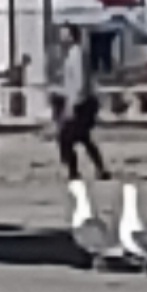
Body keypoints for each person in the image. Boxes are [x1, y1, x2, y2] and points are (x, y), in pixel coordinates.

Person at [52, 27, 109, 182]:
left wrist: (71, 104)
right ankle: (98, 169)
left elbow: (79, 82)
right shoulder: (73, 54)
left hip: (80, 103)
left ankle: (75, 171)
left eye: (64, 34)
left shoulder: (76, 55)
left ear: (71, 36)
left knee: (66, 137)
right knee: (82, 137)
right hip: (80, 101)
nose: (61, 37)